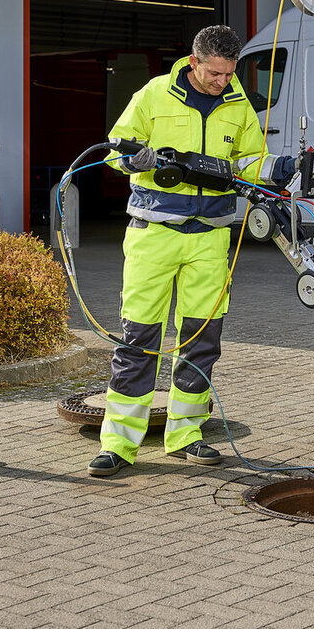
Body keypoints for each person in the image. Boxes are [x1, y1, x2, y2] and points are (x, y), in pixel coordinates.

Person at [89, 25, 295, 477]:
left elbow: (246, 162)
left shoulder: (239, 103)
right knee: (138, 340)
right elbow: (112, 149)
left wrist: (279, 166)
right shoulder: (154, 94)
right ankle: (119, 444)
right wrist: (132, 159)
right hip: (153, 233)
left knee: (202, 339)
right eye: (216, 73)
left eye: (229, 73)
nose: (223, 81)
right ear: (195, 62)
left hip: (211, 237)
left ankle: (186, 433)